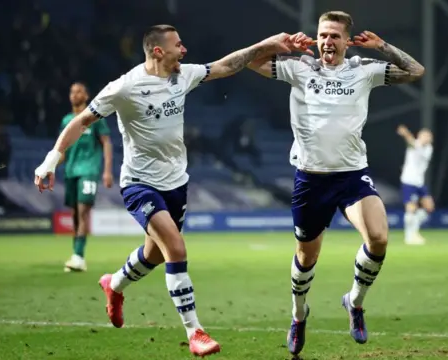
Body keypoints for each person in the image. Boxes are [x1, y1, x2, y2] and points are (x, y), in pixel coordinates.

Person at [34, 24, 295, 357]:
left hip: (177, 185)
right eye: (178, 45)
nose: (184, 50)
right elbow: (81, 121)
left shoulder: (182, 75)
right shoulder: (124, 87)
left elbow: (226, 66)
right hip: (140, 186)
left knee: (154, 255)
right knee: (175, 248)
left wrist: (267, 43)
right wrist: (50, 160)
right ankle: (195, 332)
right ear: (158, 51)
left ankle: (113, 285)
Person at [247, 11, 425, 356]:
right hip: (311, 179)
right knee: (306, 256)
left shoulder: (364, 70)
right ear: (317, 38)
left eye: (334, 36)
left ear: (346, 40)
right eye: (323, 35)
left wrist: (383, 47)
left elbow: (416, 72)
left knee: (379, 238)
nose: (327, 41)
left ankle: (354, 303)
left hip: (351, 176)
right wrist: (275, 44)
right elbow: (252, 63)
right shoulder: (298, 68)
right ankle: (299, 316)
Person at [61, 82, 113, 272]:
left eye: (79, 91)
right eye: (72, 91)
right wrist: (48, 168)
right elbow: (62, 149)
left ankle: (78, 256)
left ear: (86, 95)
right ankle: (77, 254)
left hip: (89, 171)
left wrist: (107, 170)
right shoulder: (66, 121)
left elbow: (106, 143)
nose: (75, 95)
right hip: (70, 172)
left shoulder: (95, 118)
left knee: (83, 212)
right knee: (75, 215)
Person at [396, 125, 434, 245]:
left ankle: (414, 232)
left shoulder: (428, 149)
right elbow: (411, 143)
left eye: (429, 136)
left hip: (419, 182)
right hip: (409, 180)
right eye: (425, 135)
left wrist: (406, 132)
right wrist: (406, 135)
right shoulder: (414, 144)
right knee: (411, 208)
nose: (427, 138)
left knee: (429, 207)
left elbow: (412, 143)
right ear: (420, 136)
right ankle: (409, 236)